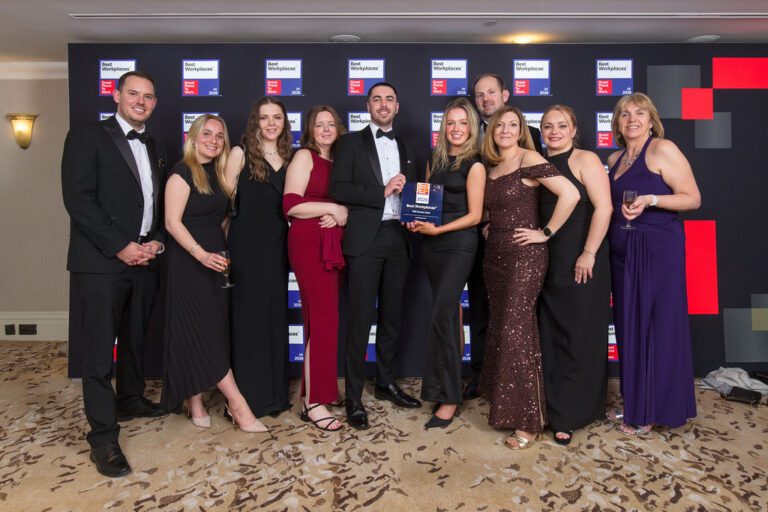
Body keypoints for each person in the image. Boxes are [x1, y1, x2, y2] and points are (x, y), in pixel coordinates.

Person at [61, 71, 167, 477]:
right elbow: (78, 199)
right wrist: (121, 245)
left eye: (148, 96)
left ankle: (131, 399)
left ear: (155, 103)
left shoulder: (154, 145)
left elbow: (156, 203)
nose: (141, 101)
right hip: (102, 261)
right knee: (99, 352)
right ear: (116, 95)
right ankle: (103, 438)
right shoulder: (87, 136)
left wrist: (154, 243)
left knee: (136, 337)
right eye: (134, 94)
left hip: (145, 258)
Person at [481, 106, 579, 449]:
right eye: (500, 125)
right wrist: (490, 224)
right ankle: (505, 404)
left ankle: (529, 421)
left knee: (517, 328)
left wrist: (545, 232)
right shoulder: (493, 167)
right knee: (501, 325)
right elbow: (495, 207)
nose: (506, 130)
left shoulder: (528, 158)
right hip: (494, 257)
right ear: (492, 130)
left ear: (521, 130)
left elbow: (571, 193)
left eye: (513, 125)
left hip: (526, 256)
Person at [161, 114, 266, 433]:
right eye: (206, 133)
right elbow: (171, 223)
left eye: (220, 135)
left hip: (216, 261)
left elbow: (221, 220)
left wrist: (220, 251)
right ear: (193, 137)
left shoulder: (218, 175)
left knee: (207, 331)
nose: (213, 140)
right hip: (189, 261)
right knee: (202, 330)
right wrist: (200, 254)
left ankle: (194, 401)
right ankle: (238, 404)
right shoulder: (181, 172)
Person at [606, 92, 700, 436]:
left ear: (651, 119)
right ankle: (637, 405)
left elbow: (693, 198)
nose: (632, 119)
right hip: (622, 253)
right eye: (625, 114)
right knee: (630, 328)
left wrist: (652, 199)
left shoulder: (662, 149)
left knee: (657, 328)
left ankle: (653, 411)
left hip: (657, 250)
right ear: (617, 122)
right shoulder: (616, 158)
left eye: (640, 113)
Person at [330, 82, 421, 430]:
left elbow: (414, 193)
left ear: (398, 106)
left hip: (399, 238)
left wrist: (415, 213)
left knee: (393, 318)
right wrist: (380, 193)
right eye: (377, 99)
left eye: (389, 100)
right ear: (368, 105)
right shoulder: (351, 142)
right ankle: (353, 397)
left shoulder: (406, 146)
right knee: (359, 322)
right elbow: (339, 188)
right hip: (365, 240)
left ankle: (385, 383)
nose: (383, 105)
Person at [405, 98, 486, 428]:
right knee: (449, 314)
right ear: (444, 127)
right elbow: (425, 202)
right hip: (432, 244)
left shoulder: (476, 164)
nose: (456, 129)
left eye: (462, 123)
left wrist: (439, 229)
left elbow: (475, 215)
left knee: (442, 310)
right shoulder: (434, 160)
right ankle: (450, 386)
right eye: (450, 123)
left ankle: (449, 398)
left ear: (471, 128)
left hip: (459, 243)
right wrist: (415, 221)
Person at [463, 73, 544, 401]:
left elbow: (543, 193)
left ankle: (522, 388)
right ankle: (483, 376)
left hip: (521, 244)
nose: (486, 99)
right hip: (480, 237)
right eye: (479, 95)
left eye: (491, 92)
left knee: (518, 316)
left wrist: (543, 231)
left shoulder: (533, 137)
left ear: (505, 94)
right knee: (482, 309)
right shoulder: (468, 137)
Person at [537, 105, 613, 445]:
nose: (554, 131)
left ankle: (574, 412)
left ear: (574, 128)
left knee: (579, 334)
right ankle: (551, 407)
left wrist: (589, 252)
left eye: (561, 125)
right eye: (548, 126)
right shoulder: (537, 161)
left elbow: (604, 207)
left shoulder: (586, 159)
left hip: (581, 258)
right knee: (550, 337)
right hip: (546, 261)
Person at [224, 98, 292, 419]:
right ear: (255, 122)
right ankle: (247, 399)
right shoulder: (239, 154)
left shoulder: (291, 158)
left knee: (273, 317)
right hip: (246, 248)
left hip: (278, 247)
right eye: (264, 118)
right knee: (248, 320)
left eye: (276, 117)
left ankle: (275, 396)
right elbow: (222, 207)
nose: (270, 123)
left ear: (284, 122)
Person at [283, 105, 348, 431]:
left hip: (333, 244)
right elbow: (291, 204)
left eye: (330, 124)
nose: (325, 129)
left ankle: (319, 389)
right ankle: (314, 403)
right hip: (309, 244)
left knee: (324, 320)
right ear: (310, 129)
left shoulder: (341, 160)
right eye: (319, 124)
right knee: (323, 320)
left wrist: (342, 211)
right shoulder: (304, 157)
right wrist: (333, 208)